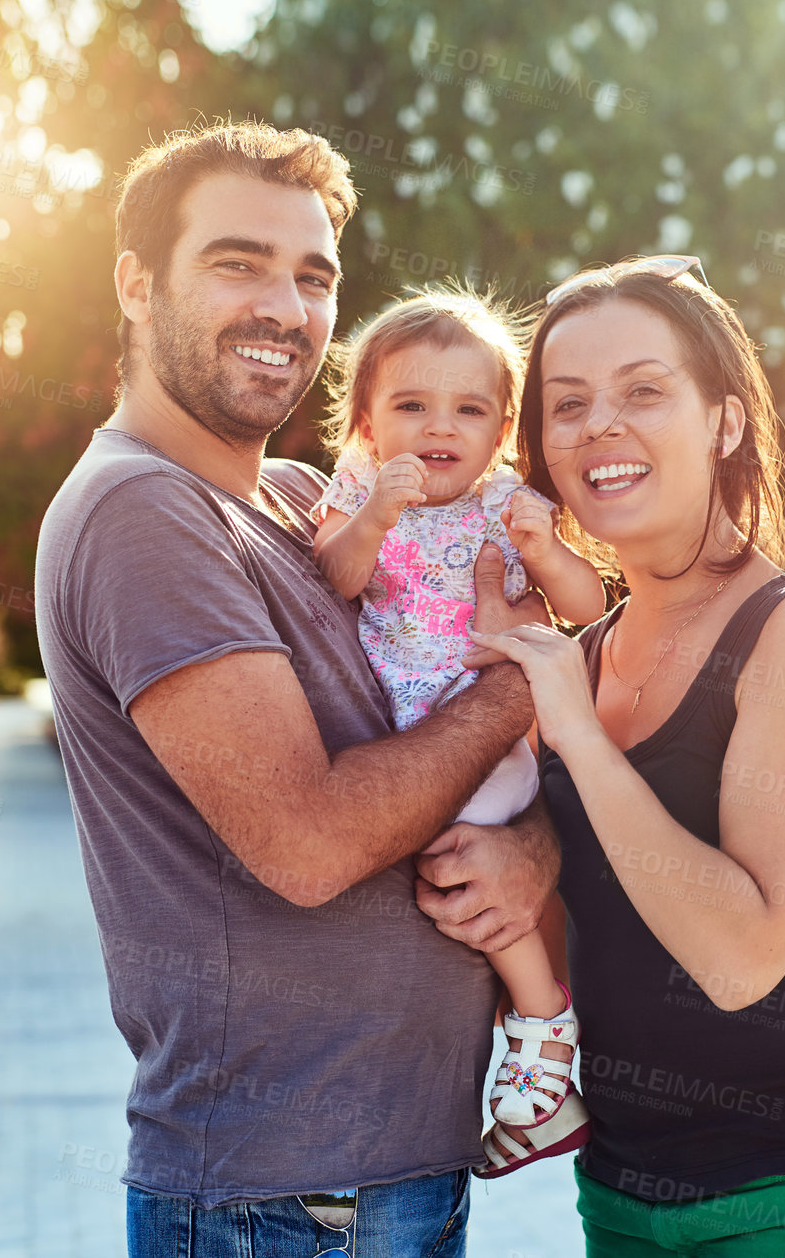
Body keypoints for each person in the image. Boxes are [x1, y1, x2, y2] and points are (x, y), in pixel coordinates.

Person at [33, 121, 559, 1258]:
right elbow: (311, 842)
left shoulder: (292, 498)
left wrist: (532, 850)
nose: (285, 308)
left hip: (378, 1175)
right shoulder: (143, 512)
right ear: (135, 283)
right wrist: (522, 685)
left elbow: (437, 746)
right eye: (237, 262)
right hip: (285, 1200)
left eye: (311, 276)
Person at [416, 255, 785, 1253]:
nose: (598, 427)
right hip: (622, 1201)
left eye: (643, 391)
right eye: (566, 403)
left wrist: (576, 734)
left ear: (725, 421)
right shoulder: (573, 657)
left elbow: (741, 958)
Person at [311, 286, 606, 1171]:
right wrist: (373, 516)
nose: (440, 427)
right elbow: (335, 576)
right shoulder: (357, 490)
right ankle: (521, 1056)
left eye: (469, 409)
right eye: (410, 405)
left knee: (447, 855)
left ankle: (542, 1017)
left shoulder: (506, 504)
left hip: (480, 744)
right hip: (407, 733)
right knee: (428, 883)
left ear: (502, 426)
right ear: (366, 420)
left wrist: (547, 550)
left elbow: (591, 611)